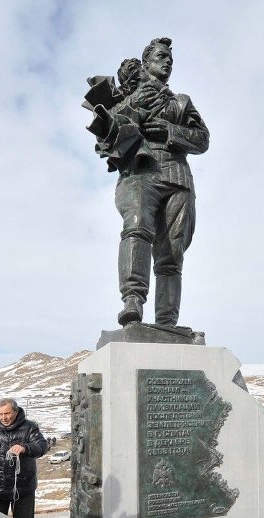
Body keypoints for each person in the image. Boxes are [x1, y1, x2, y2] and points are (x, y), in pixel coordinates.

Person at [86, 36, 210, 326]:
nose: (167, 62)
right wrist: (129, 109)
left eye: (170, 58)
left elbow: (203, 140)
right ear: (146, 63)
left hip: (178, 177)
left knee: (172, 253)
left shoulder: (182, 102)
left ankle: (167, 321)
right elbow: (109, 129)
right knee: (137, 228)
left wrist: (170, 131)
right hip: (141, 172)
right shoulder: (131, 97)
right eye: (161, 56)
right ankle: (132, 300)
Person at [0, 398, 48, 518]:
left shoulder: (29, 427)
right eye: (0, 414)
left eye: (7, 413)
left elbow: (42, 446)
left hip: (23, 489)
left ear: (16, 411)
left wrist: (26, 448)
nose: (3, 417)